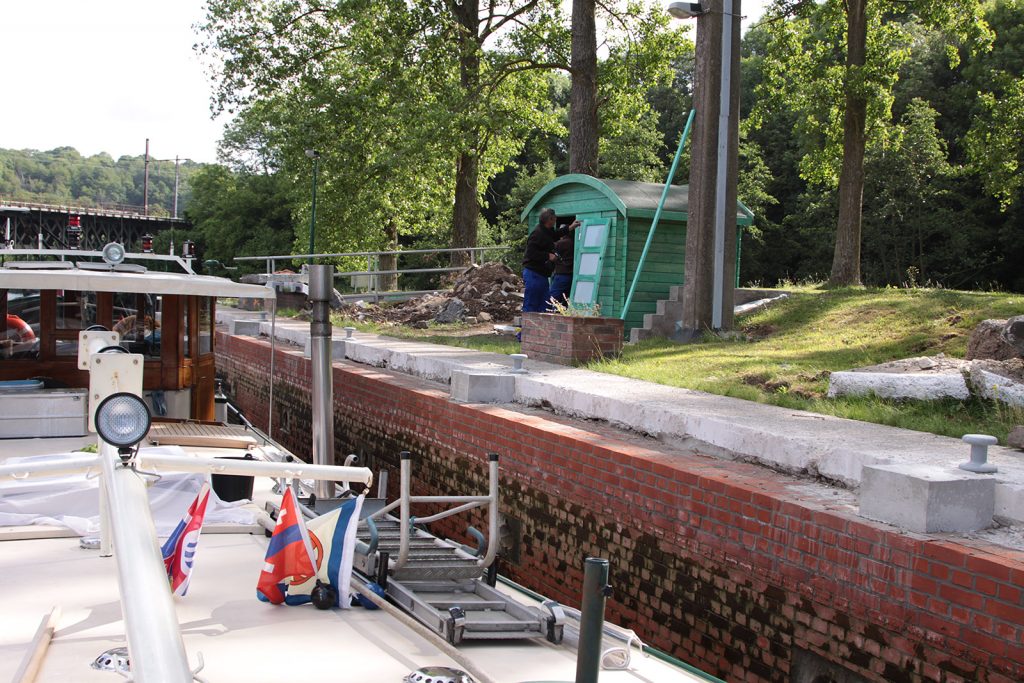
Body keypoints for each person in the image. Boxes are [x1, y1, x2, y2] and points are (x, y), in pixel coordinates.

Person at [521, 208, 580, 316]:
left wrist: (571, 227)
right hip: (533, 273)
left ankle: (541, 331)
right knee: (532, 303)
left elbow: (557, 234)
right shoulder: (537, 233)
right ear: (550, 220)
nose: (556, 220)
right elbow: (530, 253)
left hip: (542, 275)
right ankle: (525, 331)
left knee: (545, 305)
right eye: (554, 218)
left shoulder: (547, 231)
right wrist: (548, 256)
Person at [547, 230, 574, 310]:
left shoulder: (561, 243)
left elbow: (549, 249)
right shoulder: (573, 242)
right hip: (571, 274)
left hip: (562, 273)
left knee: (553, 297)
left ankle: (552, 313)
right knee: (566, 298)